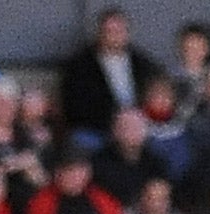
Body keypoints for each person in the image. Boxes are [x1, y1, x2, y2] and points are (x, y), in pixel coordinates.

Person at [59, 7, 161, 142]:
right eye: (110, 31)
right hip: (99, 129)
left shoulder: (143, 63)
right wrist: (116, 121)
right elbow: (74, 107)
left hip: (140, 126)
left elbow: (157, 96)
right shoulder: (80, 66)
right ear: (100, 33)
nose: (115, 36)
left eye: (120, 31)